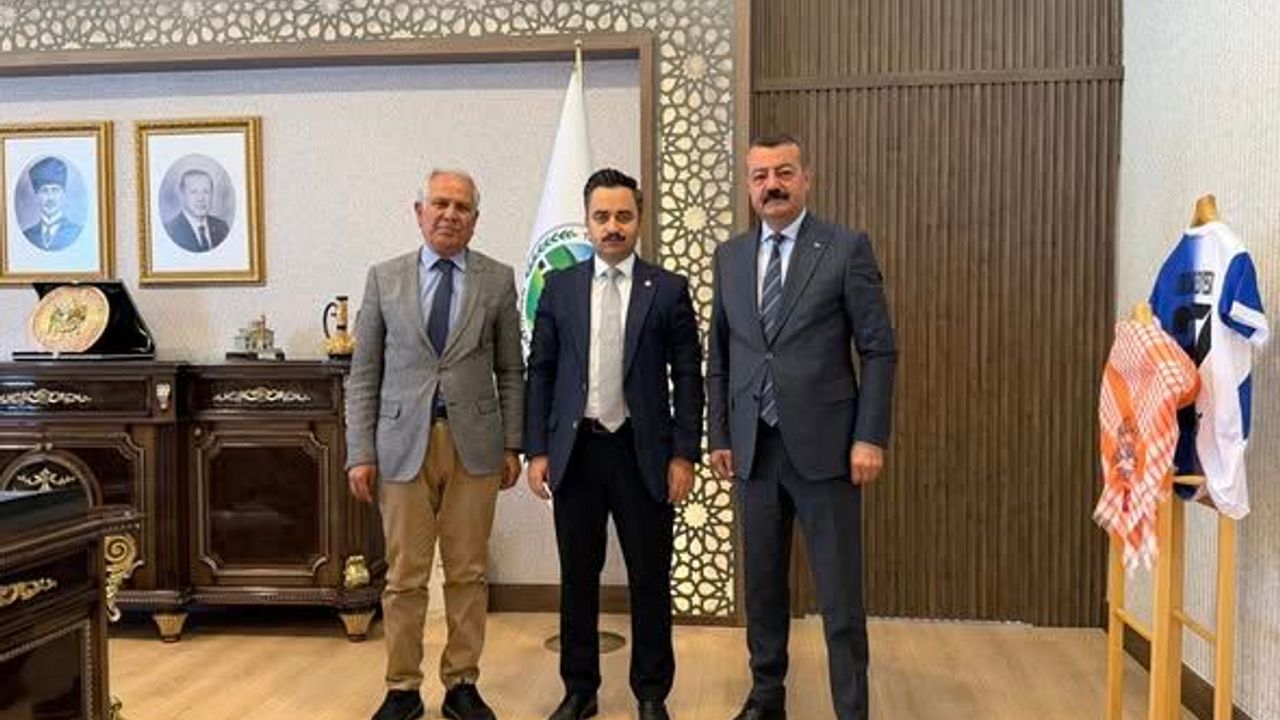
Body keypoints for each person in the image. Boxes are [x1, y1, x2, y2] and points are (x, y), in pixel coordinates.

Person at [707, 135, 897, 720]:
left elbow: (879, 348)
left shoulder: (844, 248)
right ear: (748, 186)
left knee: (839, 597)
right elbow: (720, 355)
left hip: (828, 450)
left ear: (806, 178)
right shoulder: (730, 257)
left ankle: (851, 710)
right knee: (762, 588)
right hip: (754, 449)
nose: (773, 185)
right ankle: (767, 698)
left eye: (784, 172)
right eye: (760, 175)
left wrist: (870, 436)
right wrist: (719, 435)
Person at [525, 168, 704, 720]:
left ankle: (651, 693)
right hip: (576, 452)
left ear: (639, 220)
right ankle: (580, 690)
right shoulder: (560, 287)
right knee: (578, 578)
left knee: (650, 578)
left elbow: (688, 376)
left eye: (623, 216)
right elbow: (541, 371)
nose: (612, 227)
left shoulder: (668, 288)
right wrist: (537, 450)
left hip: (642, 453)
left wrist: (684, 454)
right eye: (601, 216)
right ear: (586, 221)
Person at [346, 169, 525, 720]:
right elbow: (364, 373)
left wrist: (512, 444)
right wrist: (360, 452)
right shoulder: (385, 279)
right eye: (440, 203)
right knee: (405, 576)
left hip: (476, 446)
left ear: (476, 219)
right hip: (401, 445)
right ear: (419, 211)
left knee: (468, 572)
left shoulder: (497, 280)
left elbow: (510, 370)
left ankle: (462, 683)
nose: (450, 214)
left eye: (462, 207)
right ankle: (402, 687)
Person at [21, 156, 82, 251]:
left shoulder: (76, 232)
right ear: (37, 196)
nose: (50, 198)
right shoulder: (28, 235)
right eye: (44, 191)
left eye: (55, 190)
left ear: (63, 194)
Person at [163, 169, 230, 252]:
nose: (201, 198)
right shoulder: (171, 230)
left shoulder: (222, 227)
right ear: (182, 196)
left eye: (206, 192)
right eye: (194, 192)